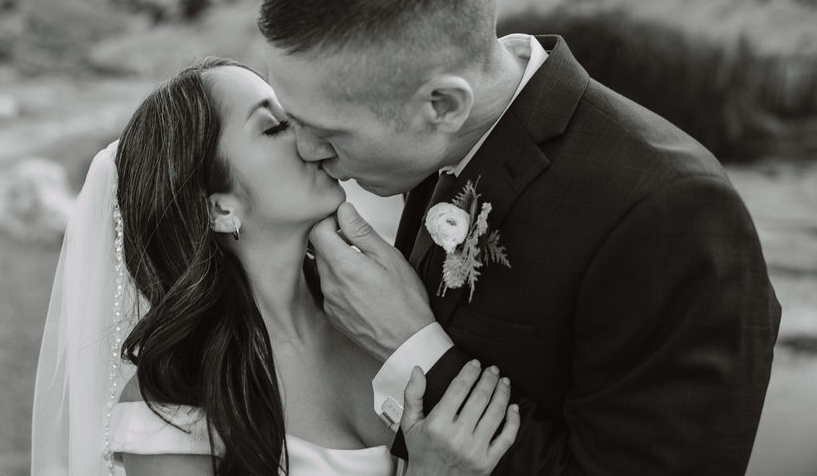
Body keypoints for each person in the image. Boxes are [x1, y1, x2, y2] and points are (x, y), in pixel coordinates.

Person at [258, 0, 782, 475]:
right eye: (293, 120)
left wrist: (412, 347)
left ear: (443, 105)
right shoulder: (437, 154)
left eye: (329, 133)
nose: (307, 151)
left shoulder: (672, 212)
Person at [31, 57, 520, 476]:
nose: (311, 134)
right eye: (275, 126)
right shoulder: (173, 408)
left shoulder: (387, 307)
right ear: (219, 209)